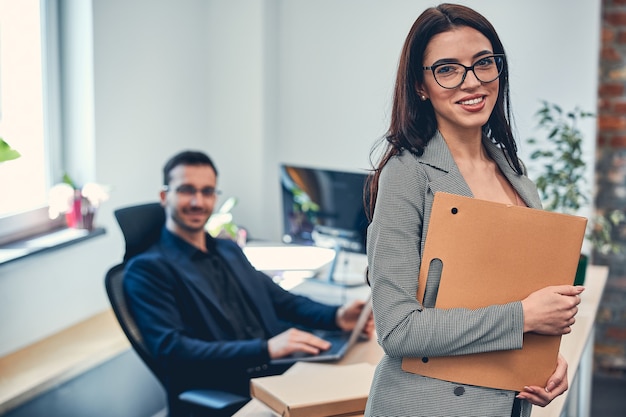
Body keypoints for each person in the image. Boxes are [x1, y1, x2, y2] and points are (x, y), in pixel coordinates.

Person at [364, 4, 583, 417]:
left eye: (484, 63)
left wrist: (545, 363)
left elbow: (516, 296)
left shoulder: (512, 169)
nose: (473, 82)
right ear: (420, 86)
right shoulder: (407, 174)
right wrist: (523, 318)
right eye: (447, 69)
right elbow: (397, 329)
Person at [123, 150, 374, 416]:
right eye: (187, 190)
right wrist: (265, 349)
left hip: (279, 373)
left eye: (207, 191)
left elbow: (281, 300)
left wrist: (336, 316)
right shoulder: (147, 269)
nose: (198, 201)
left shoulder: (227, 250)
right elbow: (174, 351)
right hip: (232, 386)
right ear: (165, 196)